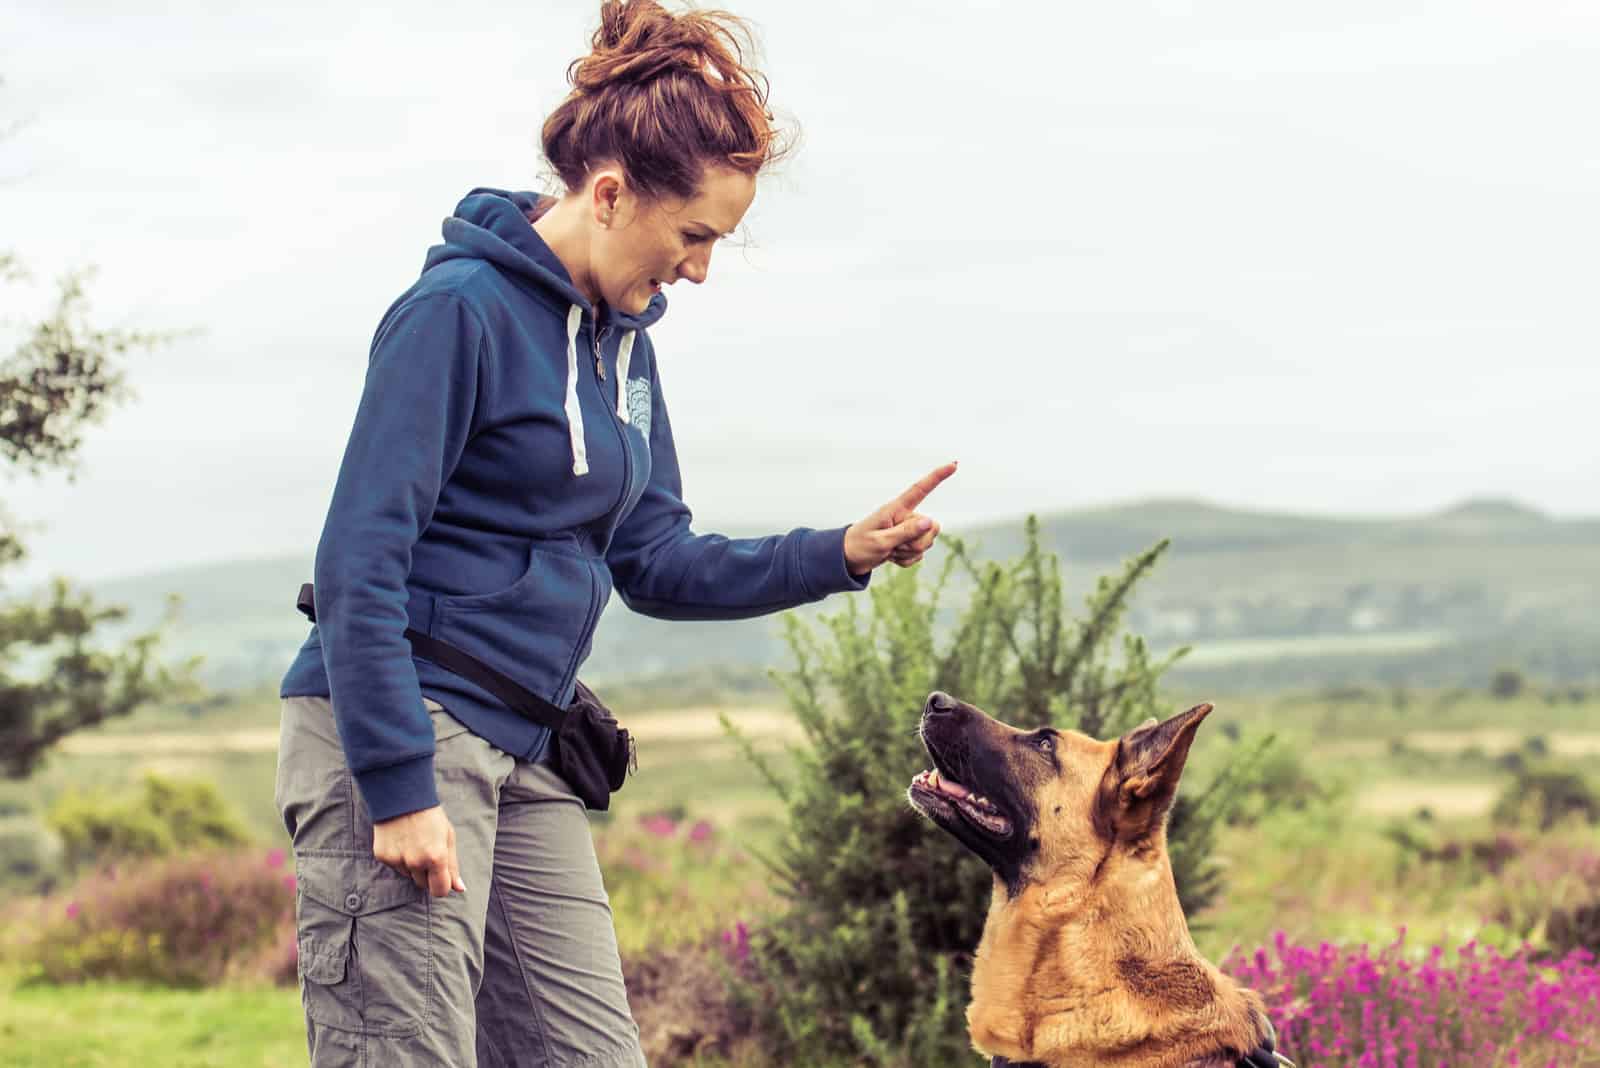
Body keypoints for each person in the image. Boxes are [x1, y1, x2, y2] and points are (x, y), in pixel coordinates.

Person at [274, 2, 954, 1064]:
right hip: (402, 736)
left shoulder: (623, 349)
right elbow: (358, 561)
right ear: (608, 193)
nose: (699, 270)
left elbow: (656, 560)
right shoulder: (456, 313)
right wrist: (399, 788)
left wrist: (841, 552)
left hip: (528, 746)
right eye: (693, 236)